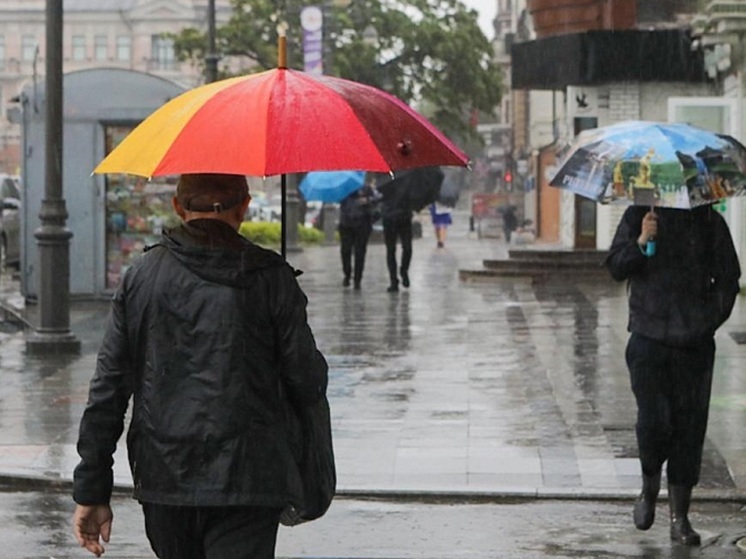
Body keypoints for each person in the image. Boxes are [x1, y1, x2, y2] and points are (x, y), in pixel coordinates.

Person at [72, 173, 329, 559]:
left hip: (164, 477)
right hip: (249, 477)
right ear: (243, 207)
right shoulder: (270, 278)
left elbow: (107, 389)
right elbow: (307, 381)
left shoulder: (141, 277)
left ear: (178, 207)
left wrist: (92, 489)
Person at [605, 204, 740, 546]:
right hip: (648, 340)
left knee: (689, 429)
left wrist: (707, 320)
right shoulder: (640, 215)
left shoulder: (709, 220)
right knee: (653, 423)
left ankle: (680, 517)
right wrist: (641, 240)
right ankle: (649, 490)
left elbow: (728, 277)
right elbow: (617, 268)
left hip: (694, 345)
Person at [338, 181, 379, 289]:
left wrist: (367, 200)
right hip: (346, 223)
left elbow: (376, 199)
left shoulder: (366, 188)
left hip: (362, 224)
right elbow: (339, 200)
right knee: (345, 251)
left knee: (360, 252)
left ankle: (357, 279)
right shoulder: (344, 187)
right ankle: (347, 274)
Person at [380, 181, 413, 293]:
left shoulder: (409, 177)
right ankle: (393, 280)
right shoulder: (384, 178)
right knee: (391, 250)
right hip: (389, 217)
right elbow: (380, 194)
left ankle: (404, 270)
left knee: (407, 248)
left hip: (405, 216)